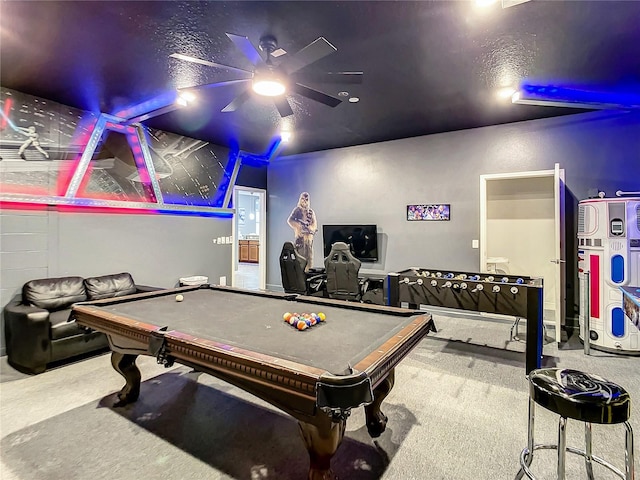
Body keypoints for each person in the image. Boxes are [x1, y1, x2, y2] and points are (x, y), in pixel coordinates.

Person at [287, 192, 317, 271]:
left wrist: (311, 228)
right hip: (300, 239)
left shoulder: (311, 212)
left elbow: (314, 224)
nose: (304, 201)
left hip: (309, 240)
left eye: (306, 199)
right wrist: (298, 227)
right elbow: (290, 220)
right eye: (303, 199)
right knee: (300, 260)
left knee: (309, 260)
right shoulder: (297, 210)